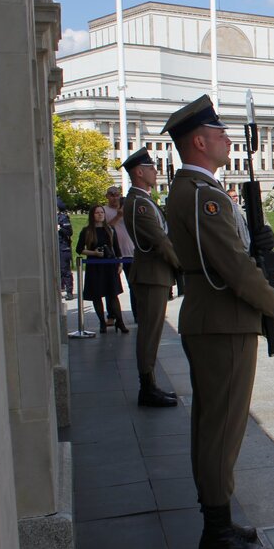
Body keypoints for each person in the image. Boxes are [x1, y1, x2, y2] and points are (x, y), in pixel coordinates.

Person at [162, 94, 274, 549]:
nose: (227, 139)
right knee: (222, 429)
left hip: (215, 320)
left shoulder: (199, 191)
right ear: (198, 141)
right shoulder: (201, 195)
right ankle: (216, 534)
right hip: (222, 322)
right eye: (218, 133)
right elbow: (232, 267)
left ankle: (218, 519)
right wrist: (271, 301)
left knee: (216, 426)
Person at [121, 147, 180, 408]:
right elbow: (160, 241)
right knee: (149, 332)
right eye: (151, 167)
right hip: (151, 274)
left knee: (152, 331)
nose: (155, 171)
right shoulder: (138, 203)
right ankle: (147, 387)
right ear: (139, 172)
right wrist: (182, 266)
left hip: (154, 274)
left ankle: (150, 383)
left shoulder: (143, 199)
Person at [75, 205, 128, 334]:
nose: (100, 214)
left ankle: (120, 322)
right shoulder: (87, 231)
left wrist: (119, 263)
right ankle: (102, 323)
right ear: (92, 215)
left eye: (102, 212)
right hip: (94, 266)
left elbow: (116, 247)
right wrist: (94, 253)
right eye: (97, 212)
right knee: (97, 295)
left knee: (113, 295)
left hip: (109, 265)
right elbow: (79, 249)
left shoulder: (110, 229)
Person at [103, 184, 136, 322]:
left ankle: (138, 315)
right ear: (107, 196)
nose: (115, 197)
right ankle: (112, 315)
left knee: (133, 285)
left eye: (117, 194)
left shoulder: (127, 210)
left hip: (129, 252)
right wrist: (118, 216)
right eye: (112, 194)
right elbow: (104, 228)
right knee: (111, 287)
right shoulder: (103, 211)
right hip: (113, 254)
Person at [57, 197, 74, 300]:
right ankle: (60, 288)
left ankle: (69, 291)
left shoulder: (63, 218)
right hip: (55, 246)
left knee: (65, 270)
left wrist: (60, 229)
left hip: (63, 247)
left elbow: (69, 232)